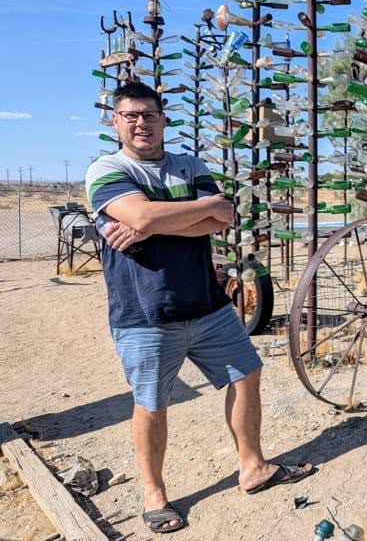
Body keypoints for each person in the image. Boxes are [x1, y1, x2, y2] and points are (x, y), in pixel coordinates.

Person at [84, 82, 313, 534]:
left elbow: (221, 216)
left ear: (163, 119)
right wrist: (185, 211)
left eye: (149, 115)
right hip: (145, 314)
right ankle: (154, 494)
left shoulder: (189, 164)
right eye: (131, 116)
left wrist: (154, 221)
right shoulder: (106, 169)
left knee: (246, 374)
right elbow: (152, 216)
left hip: (208, 305)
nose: (141, 123)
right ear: (116, 122)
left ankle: (253, 467)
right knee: (152, 404)